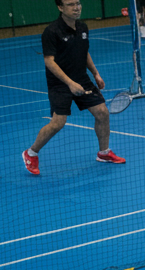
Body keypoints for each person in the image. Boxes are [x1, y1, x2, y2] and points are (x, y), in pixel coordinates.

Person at [22, 0, 124, 176]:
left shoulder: (83, 27)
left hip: (81, 79)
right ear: (60, 7)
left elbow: (84, 52)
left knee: (102, 113)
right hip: (60, 83)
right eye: (70, 4)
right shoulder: (52, 31)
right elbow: (49, 61)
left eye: (78, 3)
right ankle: (31, 153)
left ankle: (104, 153)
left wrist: (95, 73)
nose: (76, 7)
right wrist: (69, 83)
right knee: (58, 123)